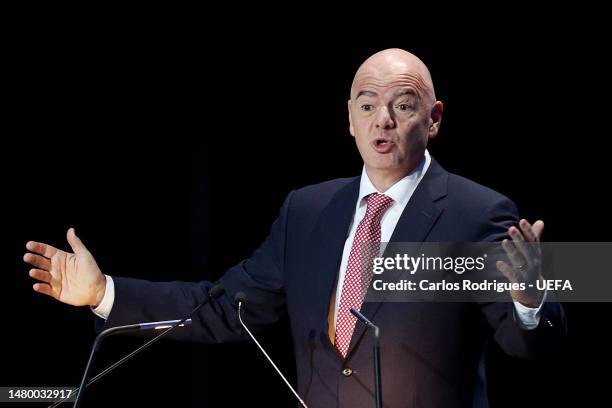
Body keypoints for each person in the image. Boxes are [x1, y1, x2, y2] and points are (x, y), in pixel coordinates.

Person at [24, 48, 566, 407]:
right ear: (348, 117)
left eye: (403, 105)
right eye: (368, 104)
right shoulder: (307, 212)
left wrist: (530, 300)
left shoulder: (480, 211)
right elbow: (225, 309)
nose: (383, 119)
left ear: (435, 118)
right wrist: (105, 293)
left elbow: (532, 346)